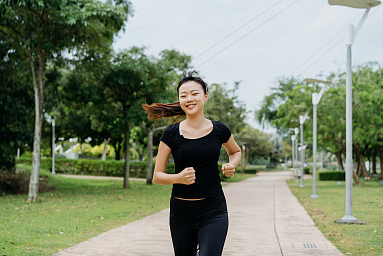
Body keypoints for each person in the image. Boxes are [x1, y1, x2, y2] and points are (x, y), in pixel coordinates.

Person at [142, 71, 241, 256]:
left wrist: (232, 164)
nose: (189, 98)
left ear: (205, 96)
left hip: (213, 210)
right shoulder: (171, 134)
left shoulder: (219, 129)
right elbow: (157, 176)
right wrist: (178, 178)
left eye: (194, 93)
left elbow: (235, 151)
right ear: (179, 100)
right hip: (181, 212)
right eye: (183, 95)